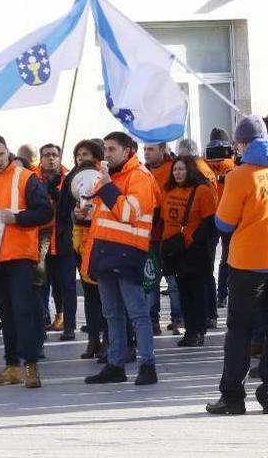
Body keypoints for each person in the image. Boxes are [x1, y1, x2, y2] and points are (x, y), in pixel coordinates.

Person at [206, 115, 268, 415]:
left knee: (239, 330)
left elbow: (223, 222)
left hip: (249, 263)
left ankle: (233, 397)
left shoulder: (239, 176)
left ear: (243, 143)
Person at [0, 135, 52, 390]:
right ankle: (12, 366)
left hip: (19, 256)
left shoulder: (25, 177)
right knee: (6, 315)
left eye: (1, 154)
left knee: (23, 311)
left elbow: (46, 211)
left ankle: (31, 366)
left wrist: (17, 218)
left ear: (7, 151)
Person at [83, 131, 159, 386]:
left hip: (127, 253)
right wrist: (82, 211)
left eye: (112, 149)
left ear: (127, 152)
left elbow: (127, 212)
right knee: (112, 314)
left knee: (137, 313)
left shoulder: (140, 177)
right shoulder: (109, 177)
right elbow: (99, 213)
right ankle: (115, 365)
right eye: (104, 148)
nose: (106, 154)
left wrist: (105, 187)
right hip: (106, 252)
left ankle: (147, 365)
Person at [160, 156, 218, 347]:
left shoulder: (202, 190)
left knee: (196, 292)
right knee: (182, 291)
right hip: (174, 248)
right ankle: (189, 331)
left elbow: (210, 220)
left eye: (181, 169)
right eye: (175, 169)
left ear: (190, 170)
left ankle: (198, 331)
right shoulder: (168, 190)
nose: (177, 173)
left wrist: (195, 240)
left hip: (194, 249)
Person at [69, 141, 107, 360]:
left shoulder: (102, 177)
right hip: (79, 243)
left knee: (106, 296)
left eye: (86, 154)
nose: (82, 157)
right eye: (79, 154)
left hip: (101, 242)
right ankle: (93, 339)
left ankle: (108, 340)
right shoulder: (71, 179)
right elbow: (67, 210)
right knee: (91, 297)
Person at [35, 144, 73, 339]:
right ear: (40, 158)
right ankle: (41, 321)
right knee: (42, 282)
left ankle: (66, 322)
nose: (51, 158)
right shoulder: (32, 177)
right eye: (47, 155)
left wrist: (59, 194)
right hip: (40, 237)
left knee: (64, 283)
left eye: (54, 155)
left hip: (63, 236)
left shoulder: (68, 176)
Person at [144, 142, 182, 336]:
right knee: (151, 281)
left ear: (162, 149)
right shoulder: (143, 172)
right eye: (145, 149)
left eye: (150, 149)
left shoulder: (174, 168)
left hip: (169, 233)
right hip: (149, 234)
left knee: (173, 280)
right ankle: (153, 321)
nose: (146, 153)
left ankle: (178, 319)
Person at [205, 128, 236, 308]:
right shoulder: (232, 163)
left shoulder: (203, 163)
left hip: (208, 215)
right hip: (227, 215)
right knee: (226, 256)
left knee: (208, 260)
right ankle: (223, 294)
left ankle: (215, 297)